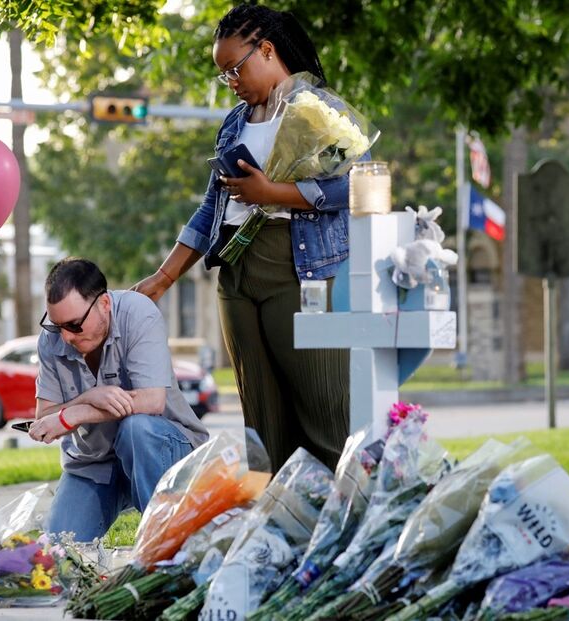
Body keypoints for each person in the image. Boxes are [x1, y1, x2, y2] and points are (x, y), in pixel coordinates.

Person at [133, 4, 363, 471]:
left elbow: (358, 187)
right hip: (235, 275)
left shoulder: (321, 110)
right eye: (224, 75)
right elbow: (210, 209)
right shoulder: (234, 123)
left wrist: (271, 192)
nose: (232, 82)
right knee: (262, 420)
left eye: (235, 69)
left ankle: (346, 516)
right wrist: (162, 278)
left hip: (299, 272)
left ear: (267, 49)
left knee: (325, 410)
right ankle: (277, 524)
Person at [31, 258, 209, 541]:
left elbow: (152, 401)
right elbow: (44, 417)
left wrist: (76, 414)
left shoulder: (139, 313)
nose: (65, 337)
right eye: (57, 325)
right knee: (57, 556)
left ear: (104, 304)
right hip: (94, 462)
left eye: (75, 325)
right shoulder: (52, 339)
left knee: (137, 428)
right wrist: (90, 397)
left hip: (160, 449)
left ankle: (167, 545)